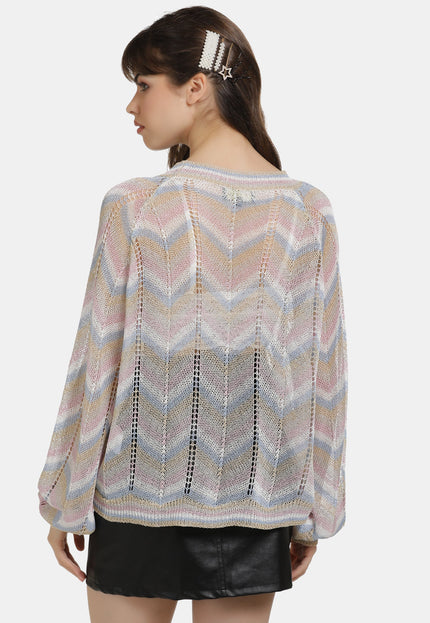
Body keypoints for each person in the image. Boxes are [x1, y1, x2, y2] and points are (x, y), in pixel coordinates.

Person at [37, 6, 348, 623]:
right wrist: (314, 508)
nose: (131, 106)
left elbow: (97, 362)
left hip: (134, 499)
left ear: (196, 87)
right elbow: (322, 378)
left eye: (143, 85)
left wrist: (65, 496)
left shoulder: (137, 205)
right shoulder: (306, 210)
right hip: (256, 504)